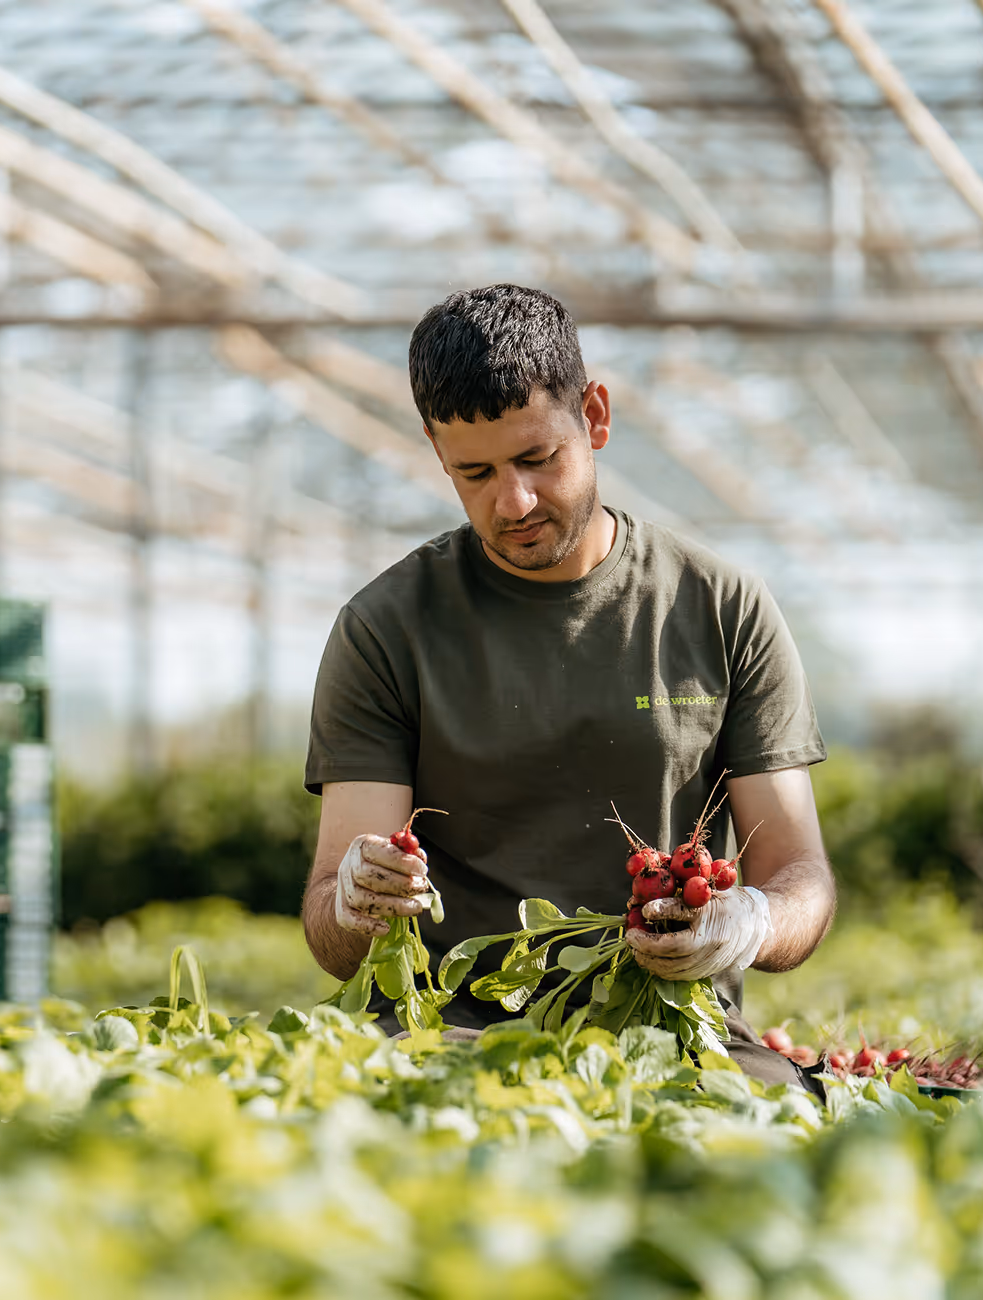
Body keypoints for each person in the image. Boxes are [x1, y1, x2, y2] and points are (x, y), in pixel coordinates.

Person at [300, 284, 835, 1091]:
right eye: (472, 473)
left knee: (779, 1108)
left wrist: (747, 922)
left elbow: (800, 875)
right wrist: (354, 900)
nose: (510, 501)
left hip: (670, 1037)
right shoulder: (386, 628)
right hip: (445, 1038)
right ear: (433, 450)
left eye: (536, 459)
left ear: (594, 416)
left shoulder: (718, 607)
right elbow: (329, 925)